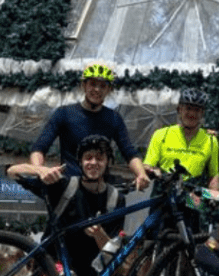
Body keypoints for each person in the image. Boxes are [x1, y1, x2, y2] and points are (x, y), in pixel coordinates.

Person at [7, 135, 124, 276]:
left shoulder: (115, 199)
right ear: (80, 162)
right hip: (55, 262)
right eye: (88, 158)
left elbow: (111, 252)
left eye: (99, 158)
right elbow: (11, 171)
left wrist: (99, 234)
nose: (93, 163)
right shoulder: (64, 185)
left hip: (89, 275)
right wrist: (39, 170)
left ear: (108, 162)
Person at [30, 63, 149, 192]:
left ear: (109, 90)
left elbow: (129, 152)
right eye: (92, 84)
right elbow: (39, 148)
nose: (97, 89)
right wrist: (39, 170)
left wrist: (141, 174)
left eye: (103, 86)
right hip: (69, 188)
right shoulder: (64, 113)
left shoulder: (114, 118)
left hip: (100, 189)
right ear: (83, 85)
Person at [144, 87, 219, 193]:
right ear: (179, 109)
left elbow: (213, 176)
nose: (192, 114)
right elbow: (148, 165)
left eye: (197, 110)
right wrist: (153, 171)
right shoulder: (161, 135)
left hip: (192, 198)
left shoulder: (211, 140)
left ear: (202, 113)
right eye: (188, 108)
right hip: (163, 195)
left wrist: (213, 196)